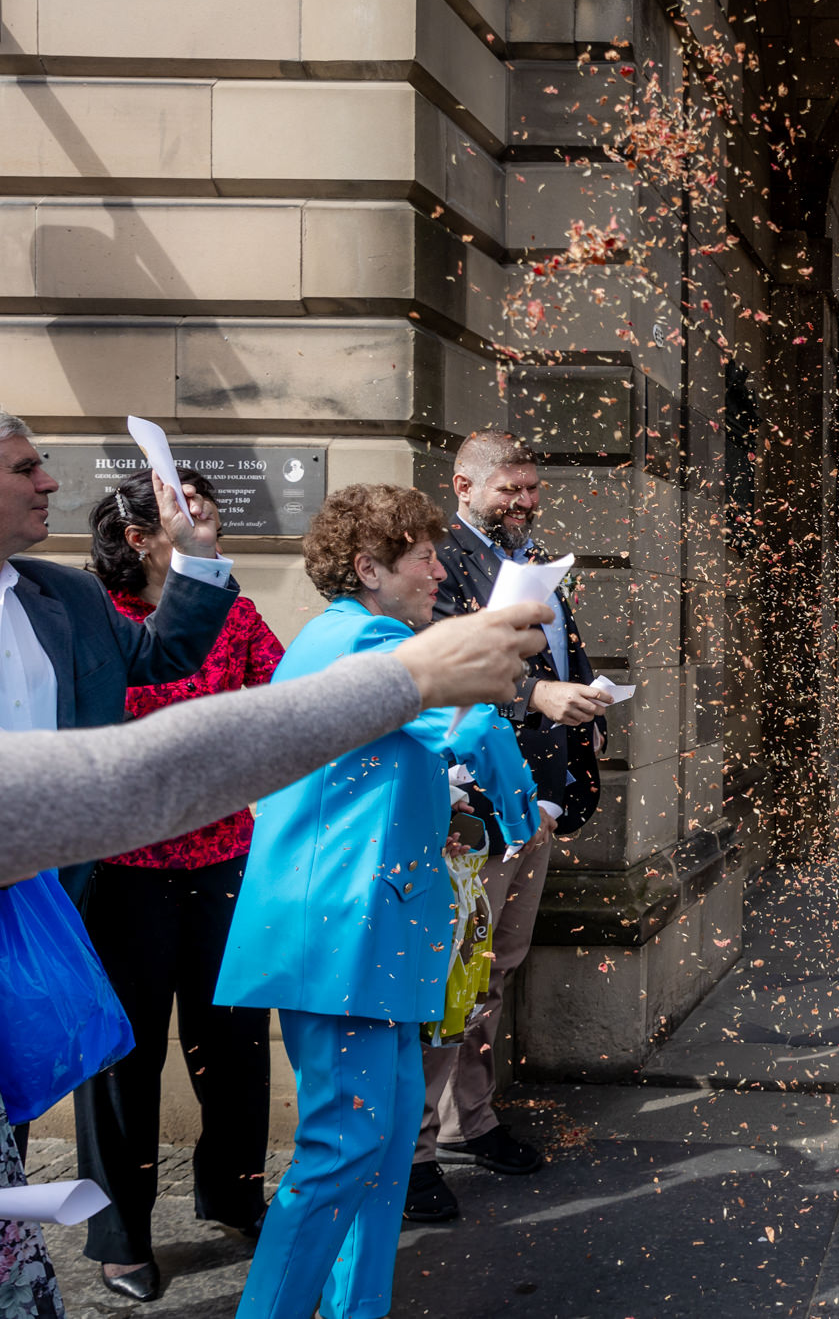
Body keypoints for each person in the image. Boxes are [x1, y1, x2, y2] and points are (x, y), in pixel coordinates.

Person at [215, 484, 547, 1319]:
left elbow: (385, 767)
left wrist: (455, 812)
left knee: (388, 1141)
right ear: (368, 566)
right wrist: (517, 811)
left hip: (374, 932)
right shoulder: (365, 635)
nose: (440, 568)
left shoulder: (349, 632)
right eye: (422, 556)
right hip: (340, 935)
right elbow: (468, 726)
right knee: (342, 1147)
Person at [67, 469, 286, 1302]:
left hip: (227, 861)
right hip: (122, 873)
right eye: (188, 518)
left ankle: (234, 1195)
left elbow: (280, 695)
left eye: (209, 517)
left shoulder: (232, 606)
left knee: (233, 1046)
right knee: (125, 1059)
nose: (209, 532)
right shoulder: (93, 616)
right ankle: (120, 1234)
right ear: (140, 537)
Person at [406, 431, 611, 1222]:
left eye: (532, 489)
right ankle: (415, 1150)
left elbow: (559, 660)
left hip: (535, 807)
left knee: (491, 974)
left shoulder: (538, 566)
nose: (524, 503)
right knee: (447, 980)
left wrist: (585, 713)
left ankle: (470, 1119)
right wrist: (537, 697)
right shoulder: (438, 564)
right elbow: (443, 664)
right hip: (468, 812)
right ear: (463, 484)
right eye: (509, 491)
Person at [0, 606, 552, 882]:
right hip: (344, 894)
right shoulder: (369, 633)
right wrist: (412, 676)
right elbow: (139, 776)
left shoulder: (243, 615)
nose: (47, 481)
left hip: (228, 849)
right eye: (424, 555)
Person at [0, 412, 238, 906]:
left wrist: (194, 552)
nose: (49, 482)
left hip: (55, 894)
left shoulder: (69, 594)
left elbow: (164, 653)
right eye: (25, 470)